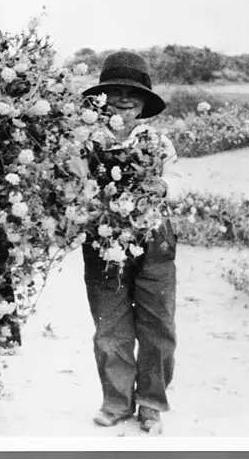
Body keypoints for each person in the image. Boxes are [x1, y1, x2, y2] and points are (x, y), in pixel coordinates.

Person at [79, 51, 180, 435]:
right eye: (115, 92)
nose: (123, 100)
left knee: (157, 324)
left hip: (155, 242)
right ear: (101, 100)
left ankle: (152, 402)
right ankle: (116, 401)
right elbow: (74, 186)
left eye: (132, 94)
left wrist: (164, 186)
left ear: (144, 103)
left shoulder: (158, 142)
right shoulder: (88, 142)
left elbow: (179, 179)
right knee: (110, 324)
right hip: (104, 244)